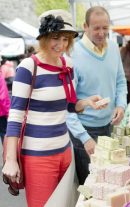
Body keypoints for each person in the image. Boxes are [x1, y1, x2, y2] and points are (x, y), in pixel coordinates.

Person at [1, 10, 105, 207]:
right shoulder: (28, 67)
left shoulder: (68, 65)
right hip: (38, 156)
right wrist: (11, 159)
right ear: (44, 38)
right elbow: (15, 116)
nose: (61, 45)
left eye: (66, 39)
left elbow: (68, 105)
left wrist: (87, 102)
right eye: (55, 38)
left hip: (66, 152)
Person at [66, 6, 127, 185]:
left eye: (105, 28)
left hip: (109, 127)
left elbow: (120, 81)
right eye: (96, 28)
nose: (101, 33)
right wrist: (84, 138)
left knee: (110, 184)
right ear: (85, 26)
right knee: (91, 188)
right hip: (84, 131)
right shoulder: (72, 55)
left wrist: (121, 105)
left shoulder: (114, 48)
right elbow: (67, 104)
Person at [0, 56, 10, 144]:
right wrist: (8, 112)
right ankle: (6, 156)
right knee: (4, 133)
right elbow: (3, 97)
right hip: (1, 114)